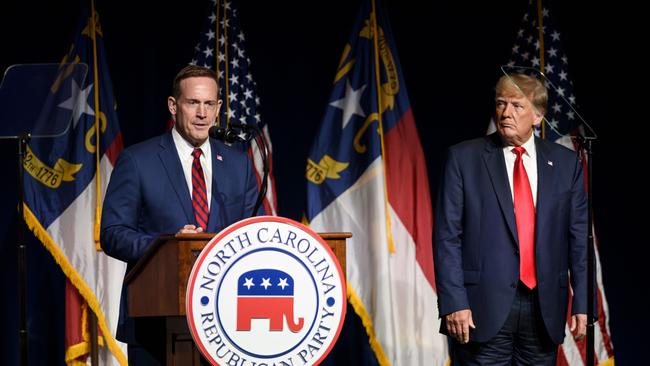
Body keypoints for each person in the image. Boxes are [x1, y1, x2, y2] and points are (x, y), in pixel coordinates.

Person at [101, 65, 258, 364]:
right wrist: (167, 246)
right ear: (173, 106)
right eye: (193, 103)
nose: (202, 113)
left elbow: (253, 231)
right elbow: (112, 234)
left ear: (218, 108)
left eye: (209, 104)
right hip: (155, 321)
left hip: (226, 322)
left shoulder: (239, 164)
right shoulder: (137, 161)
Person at [433, 73, 589, 365]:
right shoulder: (463, 158)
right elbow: (446, 237)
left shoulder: (567, 164)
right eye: (501, 103)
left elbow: (578, 240)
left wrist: (582, 301)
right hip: (480, 310)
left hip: (544, 311)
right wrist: (454, 302)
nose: (505, 113)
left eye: (517, 106)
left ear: (538, 116)